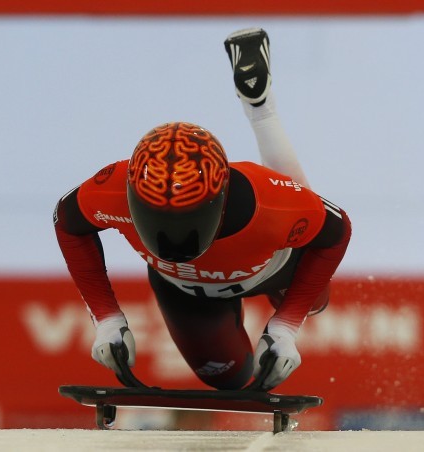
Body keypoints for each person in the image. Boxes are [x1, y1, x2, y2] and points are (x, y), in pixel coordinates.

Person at [54, 28, 352, 391]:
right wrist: (106, 319)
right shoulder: (110, 189)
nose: (174, 240)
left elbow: (336, 231)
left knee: (315, 298)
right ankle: (259, 108)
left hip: (271, 268)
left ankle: (260, 109)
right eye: (156, 218)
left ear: (221, 200)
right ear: (131, 196)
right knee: (229, 379)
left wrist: (286, 326)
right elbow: (66, 224)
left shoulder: (269, 202)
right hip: (185, 289)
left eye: (187, 220)